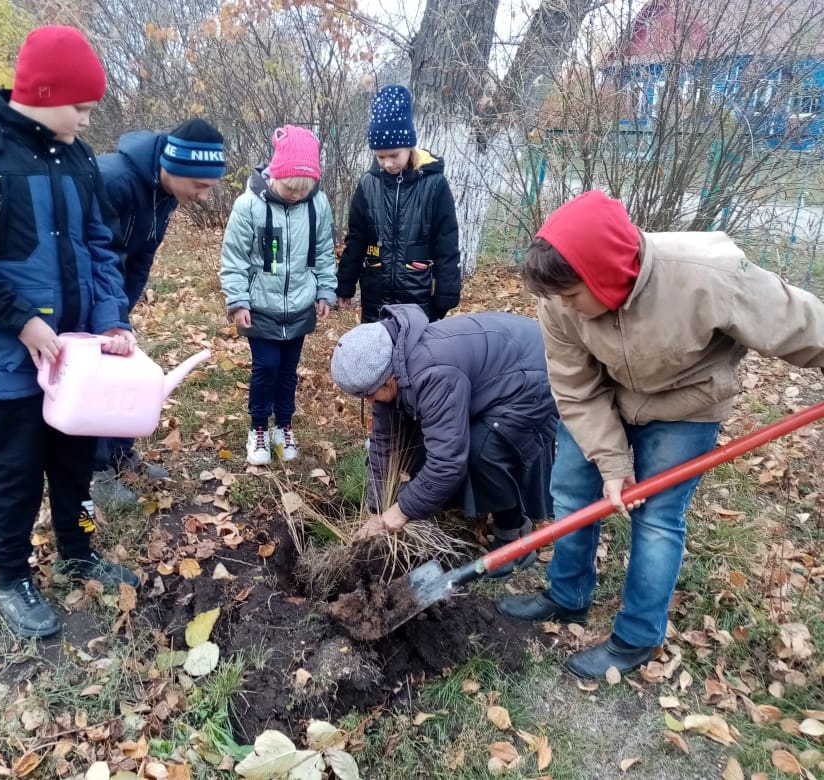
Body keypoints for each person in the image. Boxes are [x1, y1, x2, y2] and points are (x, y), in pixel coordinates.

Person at [496, 190, 824, 677]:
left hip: (685, 403)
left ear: (607, 271)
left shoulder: (708, 276)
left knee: (655, 518)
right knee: (571, 493)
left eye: (571, 294)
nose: (563, 304)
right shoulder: (559, 300)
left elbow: (800, 326)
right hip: (605, 396)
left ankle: (635, 639)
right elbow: (575, 387)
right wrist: (611, 463)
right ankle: (568, 596)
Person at [0, 25, 141, 639]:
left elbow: (100, 244)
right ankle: (11, 577)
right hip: (7, 355)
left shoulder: (78, 156)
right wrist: (21, 321)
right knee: (13, 468)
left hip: (79, 357)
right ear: (42, 92)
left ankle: (78, 550)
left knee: (75, 462)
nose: (88, 120)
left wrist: (112, 320)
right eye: (82, 107)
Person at [330, 304, 559, 577]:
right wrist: (377, 511)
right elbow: (385, 444)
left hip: (532, 376)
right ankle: (466, 504)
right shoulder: (392, 361)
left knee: (480, 451)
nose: (368, 401)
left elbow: (448, 463)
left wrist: (401, 512)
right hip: (499, 371)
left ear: (388, 378)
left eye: (369, 394)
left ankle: (514, 535)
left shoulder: (432, 371)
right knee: (430, 443)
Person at [91, 118, 227, 507]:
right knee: (98, 381)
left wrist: (123, 311)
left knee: (123, 372)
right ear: (175, 167)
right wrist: (108, 318)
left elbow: (140, 257)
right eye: (199, 186)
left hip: (112, 298)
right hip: (85, 295)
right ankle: (95, 472)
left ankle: (119, 453)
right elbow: (96, 258)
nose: (203, 197)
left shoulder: (164, 193)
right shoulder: (113, 180)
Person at [219, 125, 337, 465]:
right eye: (290, 188)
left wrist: (325, 290)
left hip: (300, 304)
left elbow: (325, 251)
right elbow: (234, 258)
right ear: (275, 174)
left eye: (305, 189)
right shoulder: (248, 206)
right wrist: (238, 300)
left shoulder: (317, 206)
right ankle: (258, 427)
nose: (296, 195)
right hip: (260, 306)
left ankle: (283, 426)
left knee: (288, 370)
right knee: (266, 366)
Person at [335, 85, 462, 324]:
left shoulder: (434, 184)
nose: (388, 164)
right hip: (376, 298)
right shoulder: (368, 185)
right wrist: (345, 284)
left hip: (419, 298)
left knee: (418, 359)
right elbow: (356, 239)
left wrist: (447, 290)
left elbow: (446, 240)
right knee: (378, 357)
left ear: (409, 146)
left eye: (394, 155)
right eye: (380, 157)